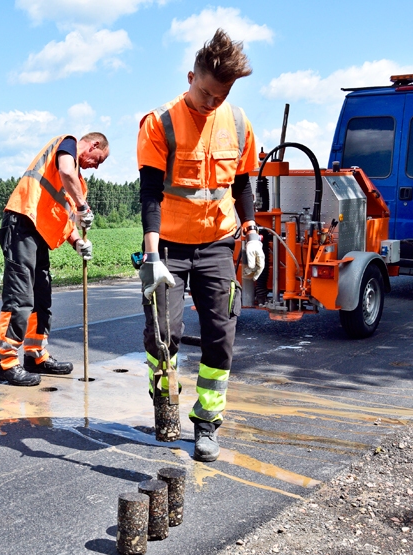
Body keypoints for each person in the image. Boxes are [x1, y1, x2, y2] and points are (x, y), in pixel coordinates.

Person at [136, 29, 265, 462]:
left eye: (221, 96)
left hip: (216, 244)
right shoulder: (161, 122)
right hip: (169, 245)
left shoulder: (239, 122)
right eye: (207, 93)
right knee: (163, 333)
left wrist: (251, 231)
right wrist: (151, 256)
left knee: (221, 335)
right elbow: (150, 192)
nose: (212, 103)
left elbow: (244, 184)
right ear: (191, 76)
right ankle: (165, 399)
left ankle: (207, 424)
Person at [0, 132, 109, 386]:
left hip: (39, 233)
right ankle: (4, 362)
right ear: (93, 145)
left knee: (41, 299)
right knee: (20, 298)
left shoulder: (76, 183)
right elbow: (66, 172)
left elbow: (64, 220)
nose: (96, 166)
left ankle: (35, 355)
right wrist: (82, 206)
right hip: (22, 222)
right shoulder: (67, 144)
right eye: (98, 159)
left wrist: (78, 242)